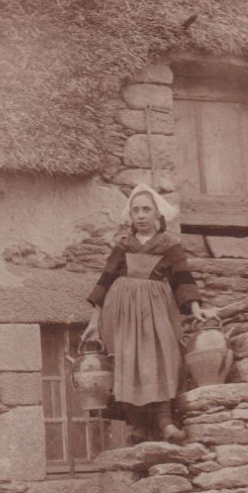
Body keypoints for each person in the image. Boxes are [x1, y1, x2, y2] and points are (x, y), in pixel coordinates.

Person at [82, 185, 209, 443]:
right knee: (127, 363)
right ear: (130, 215)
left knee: (163, 360)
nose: (140, 215)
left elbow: (183, 279)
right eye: (135, 210)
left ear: (158, 216)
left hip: (158, 312)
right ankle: (138, 425)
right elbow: (104, 283)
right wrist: (95, 322)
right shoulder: (123, 247)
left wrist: (195, 309)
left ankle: (165, 423)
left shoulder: (169, 246)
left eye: (146, 210)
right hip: (121, 313)